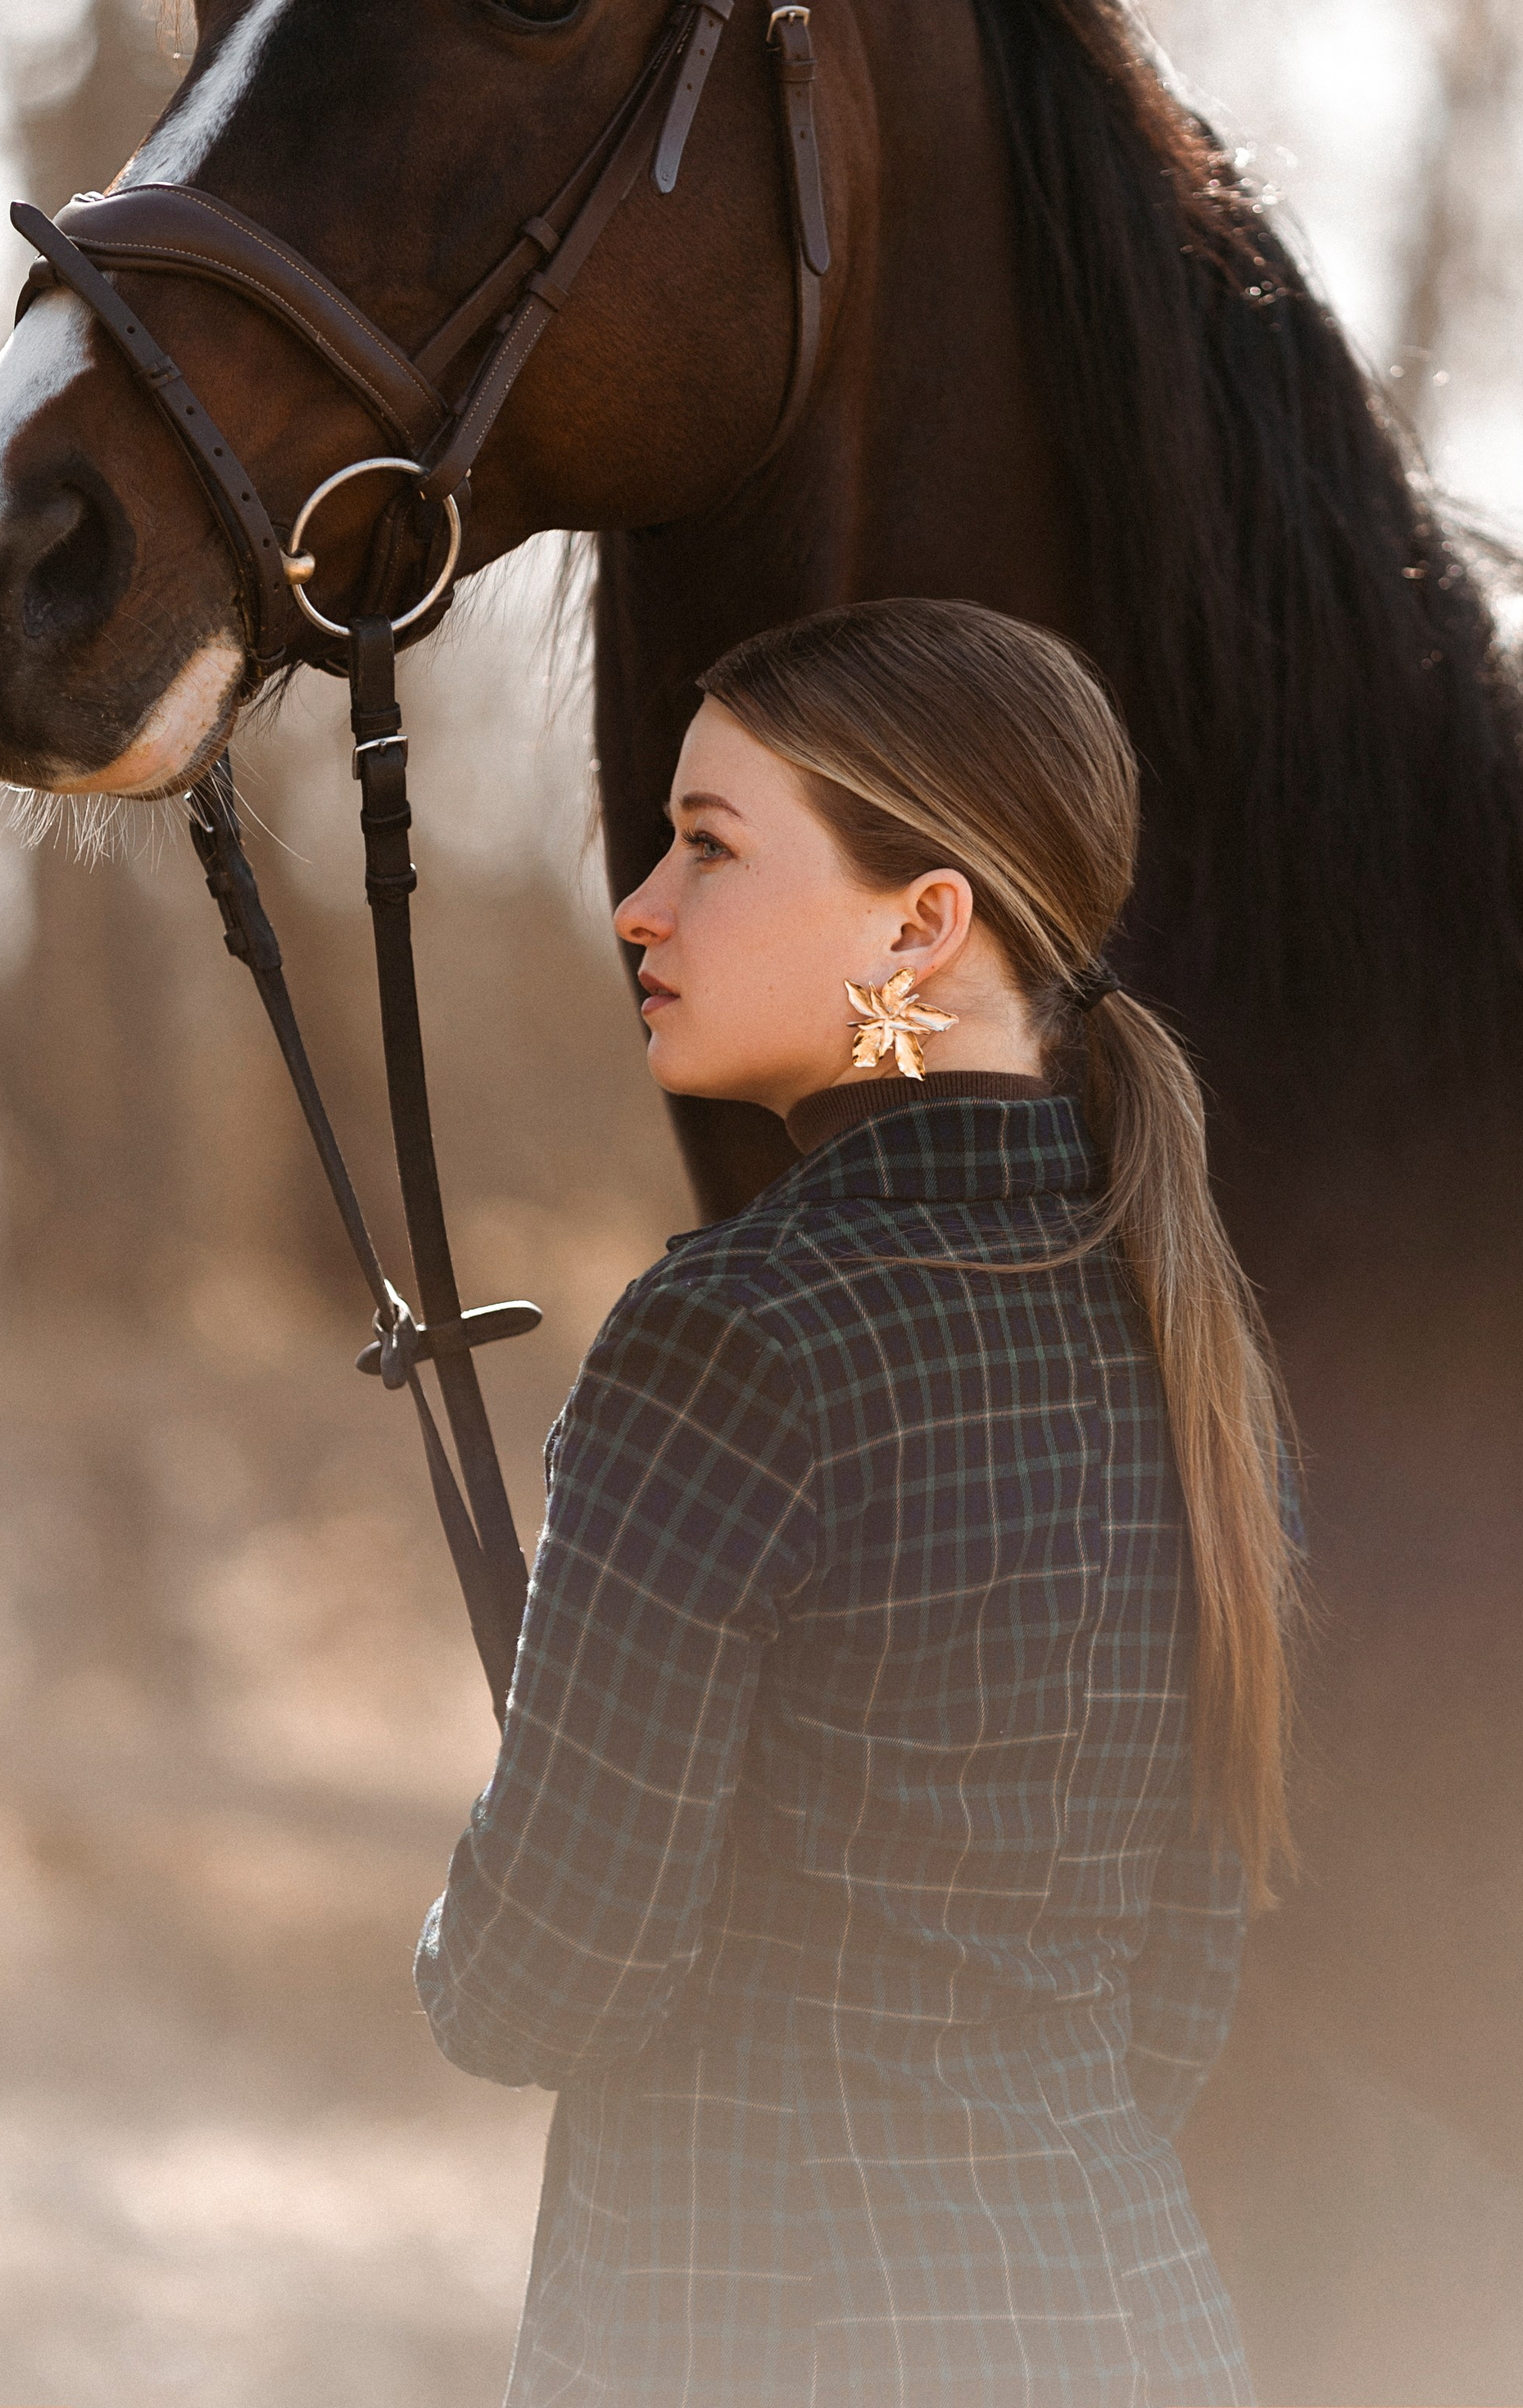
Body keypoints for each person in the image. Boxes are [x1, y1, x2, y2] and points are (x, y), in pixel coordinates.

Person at [415, 597, 1299, 2407]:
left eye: (708, 845)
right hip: (1131, 2326)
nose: (638, 905)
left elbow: (539, 1983)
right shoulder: (1194, 1349)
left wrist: (471, 1911)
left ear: (923, 922)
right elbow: (1182, 1993)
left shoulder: (732, 1339)